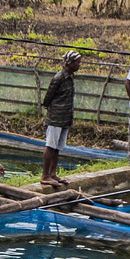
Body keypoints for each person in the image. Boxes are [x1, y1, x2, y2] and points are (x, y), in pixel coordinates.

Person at [39, 50, 80, 187]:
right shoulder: (59, 78)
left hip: (65, 118)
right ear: (70, 63)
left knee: (57, 147)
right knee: (50, 146)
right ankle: (45, 176)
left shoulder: (70, 77)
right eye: (77, 62)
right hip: (56, 117)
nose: (79, 65)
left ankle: (53, 174)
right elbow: (48, 98)